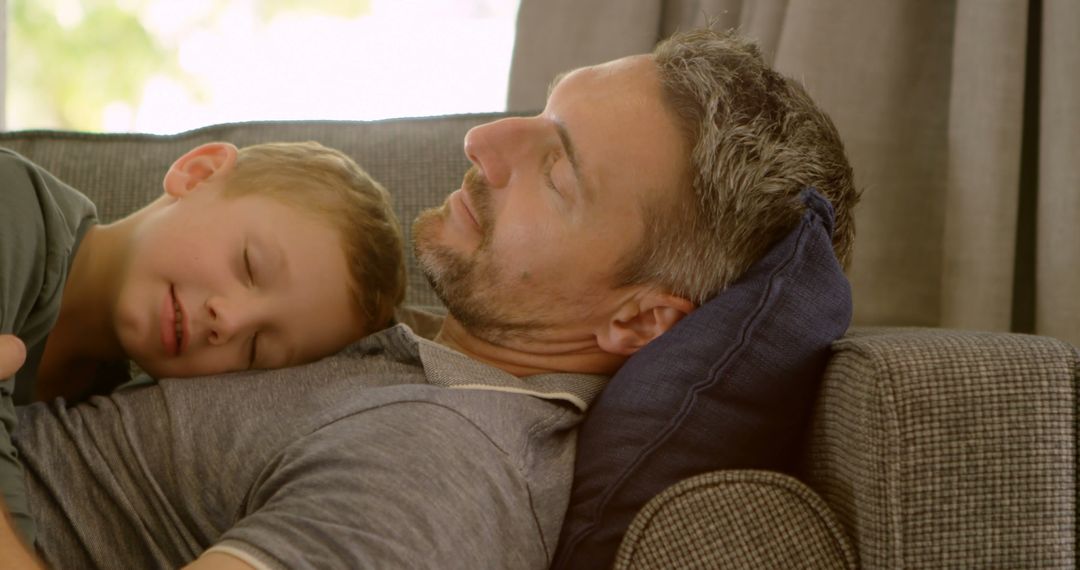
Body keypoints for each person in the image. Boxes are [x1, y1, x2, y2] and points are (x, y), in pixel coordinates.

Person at [0, 28, 857, 569]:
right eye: (535, 114)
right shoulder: (395, 356)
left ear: (636, 318)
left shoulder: (450, 468)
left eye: (555, 170)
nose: (482, 143)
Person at [0, 141, 406, 545]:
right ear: (198, 174)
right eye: (250, 265)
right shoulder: (13, 205)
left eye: (256, 349)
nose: (229, 321)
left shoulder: (104, 417)